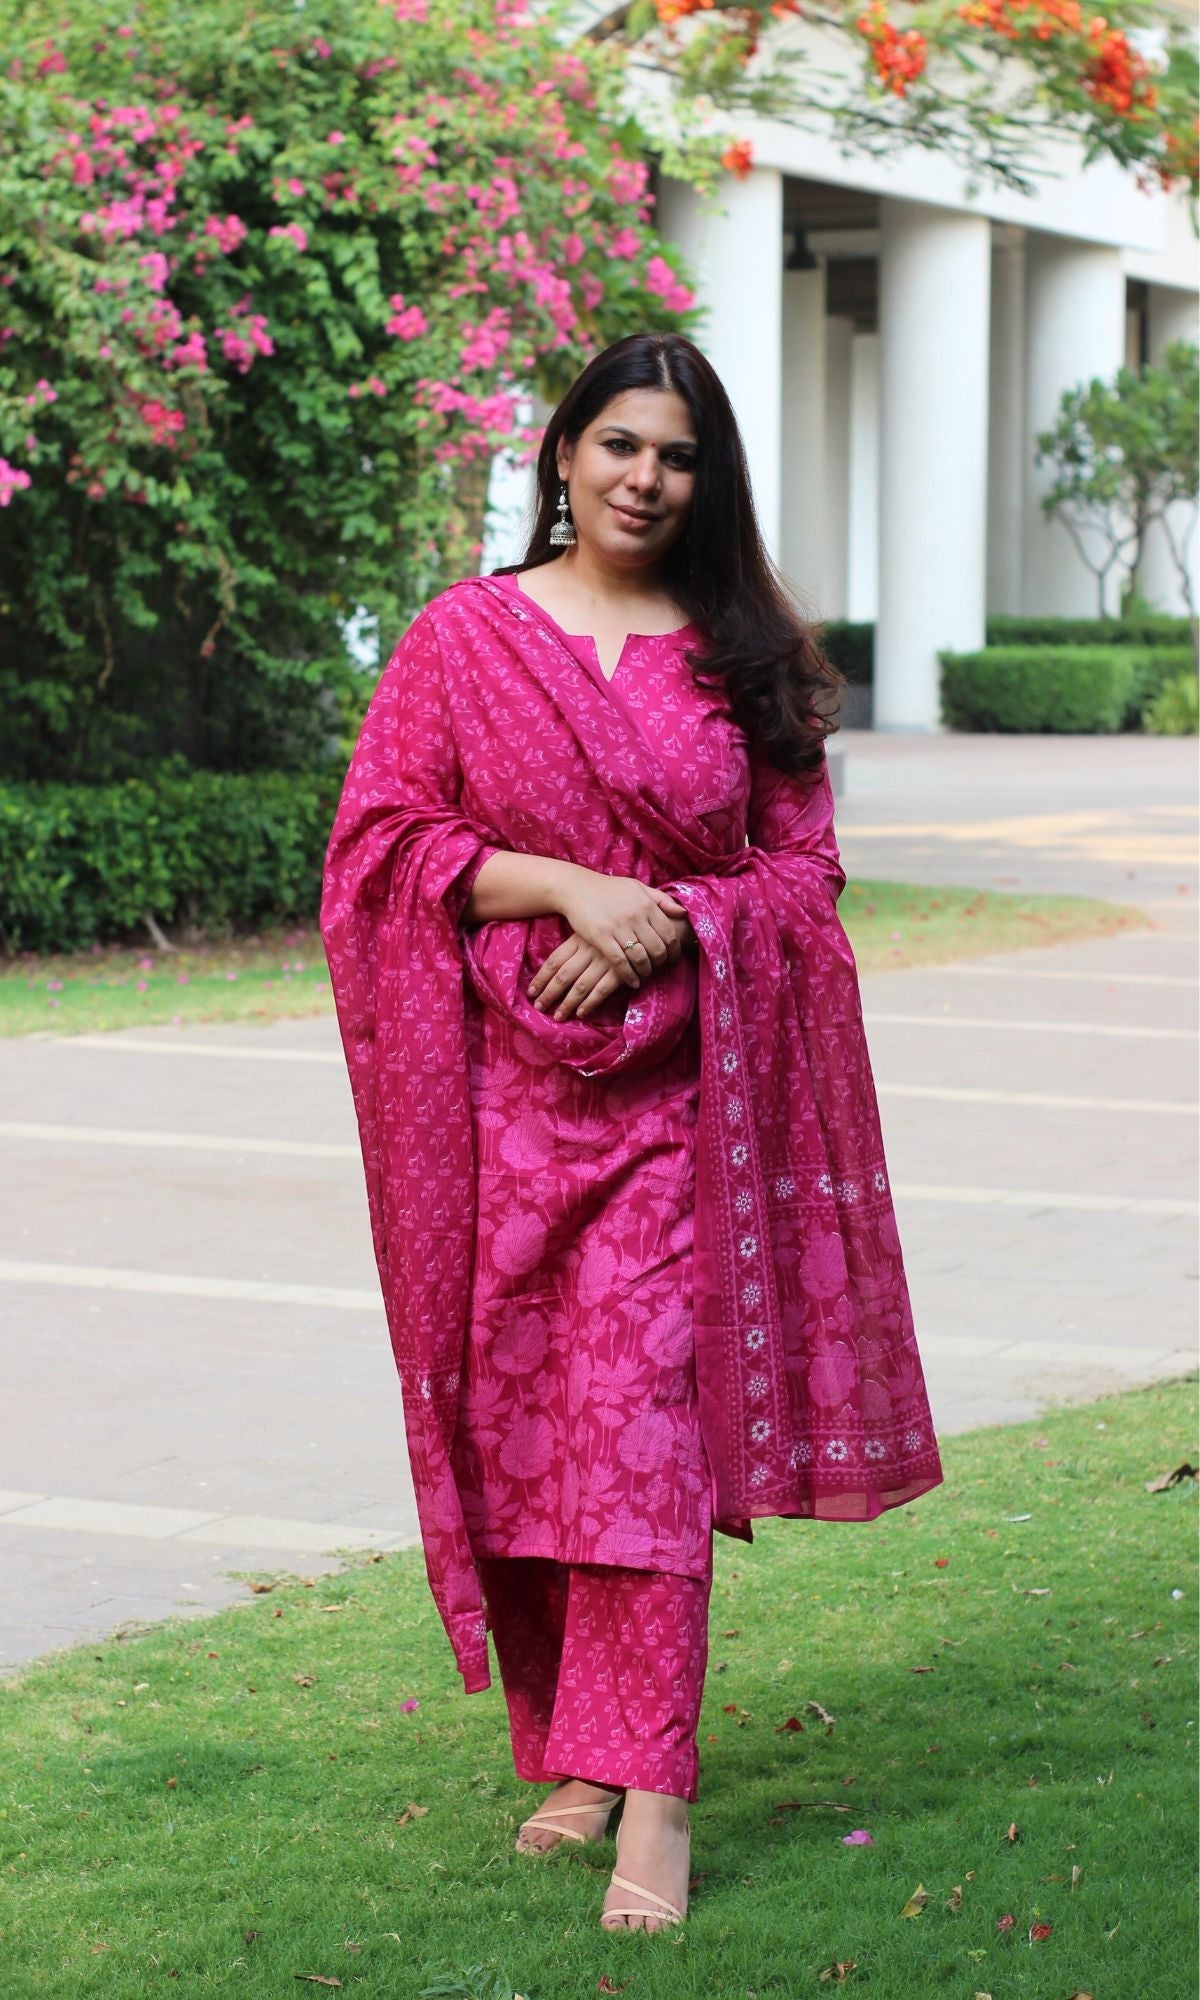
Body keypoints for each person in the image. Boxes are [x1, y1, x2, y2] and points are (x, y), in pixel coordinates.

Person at [320, 331, 944, 1935]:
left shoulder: (744, 659)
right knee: (530, 1432)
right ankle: (582, 1754)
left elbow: (801, 879)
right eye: (618, 447)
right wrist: (561, 886)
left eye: (674, 456)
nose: (644, 479)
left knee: (646, 1438)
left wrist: (673, 915)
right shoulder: (466, 641)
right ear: (562, 453)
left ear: (705, 477)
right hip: (505, 1112)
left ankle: (653, 1799)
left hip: (687, 1110)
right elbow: (383, 835)